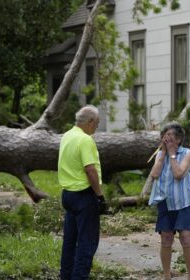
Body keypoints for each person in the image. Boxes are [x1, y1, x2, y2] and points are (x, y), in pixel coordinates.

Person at [58, 105, 107, 280]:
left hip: (68, 194)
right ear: (90, 121)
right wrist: (100, 196)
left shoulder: (67, 136)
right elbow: (90, 170)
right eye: (97, 123)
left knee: (70, 241)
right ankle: (79, 277)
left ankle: (66, 276)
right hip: (84, 195)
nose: (96, 127)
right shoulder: (85, 140)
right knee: (88, 242)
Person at [148, 122, 190, 280]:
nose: (167, 138)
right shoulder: (159, 154)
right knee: (166, 238)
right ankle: (167, 275)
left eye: (170, 136)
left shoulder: (187, 153)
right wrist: (163, 154)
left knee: (185, 238)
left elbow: (178, 174)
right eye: (165, 135)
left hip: (185, 201)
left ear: (178, 139)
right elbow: (154, 174)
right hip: (166, 201)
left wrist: (172, 154)